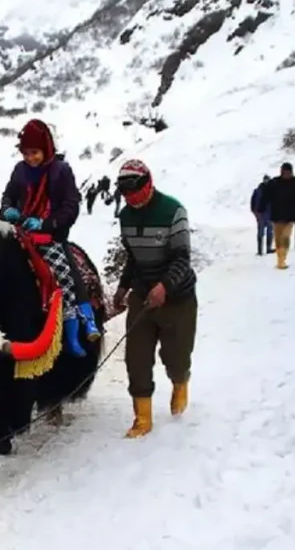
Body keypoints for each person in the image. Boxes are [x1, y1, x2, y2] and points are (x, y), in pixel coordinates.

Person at [0, 119, 101, 357]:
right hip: (19, 229)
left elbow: (70, 206)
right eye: (25, 153)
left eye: (34, 152)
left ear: (46, 148)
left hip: (49, 235)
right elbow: (8, 198)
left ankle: (77, 323)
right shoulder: (19, 170)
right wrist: (7, 211)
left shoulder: (61, 171)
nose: (30, 158)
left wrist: (47, 223)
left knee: (63, 272)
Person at [111, 159, 197, 439]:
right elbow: (133, 259)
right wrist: (124, 287)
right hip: (142, 296)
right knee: (136, 358)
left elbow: (182, 260)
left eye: (134, 191)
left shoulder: (173, 211)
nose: (130, 198)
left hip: (177, 297)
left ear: (147, 184)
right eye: (125, 194)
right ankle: (143, 418)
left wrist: (164, 287)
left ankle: (180, 380)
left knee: (175, 356)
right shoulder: (125, 216)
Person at [259, 162, 295, 270]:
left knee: (285, 237)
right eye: (285, 172)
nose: (287, 174)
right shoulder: (274, 183)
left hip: (290, 217)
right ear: (281, 172)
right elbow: (266, 196)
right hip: (276, 216)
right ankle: (280, 259)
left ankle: (282, 260)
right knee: (278, 239)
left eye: (288, 172)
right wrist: (261, 207)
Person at [250, 175, 273, 256]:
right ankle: (267, 249)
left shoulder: (258, 190)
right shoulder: (271, 190)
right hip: (267, 214)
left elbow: (252, 203)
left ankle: (261, 250)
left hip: (263, 214)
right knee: (268, 231)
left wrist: (255, 212)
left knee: (262, 231)